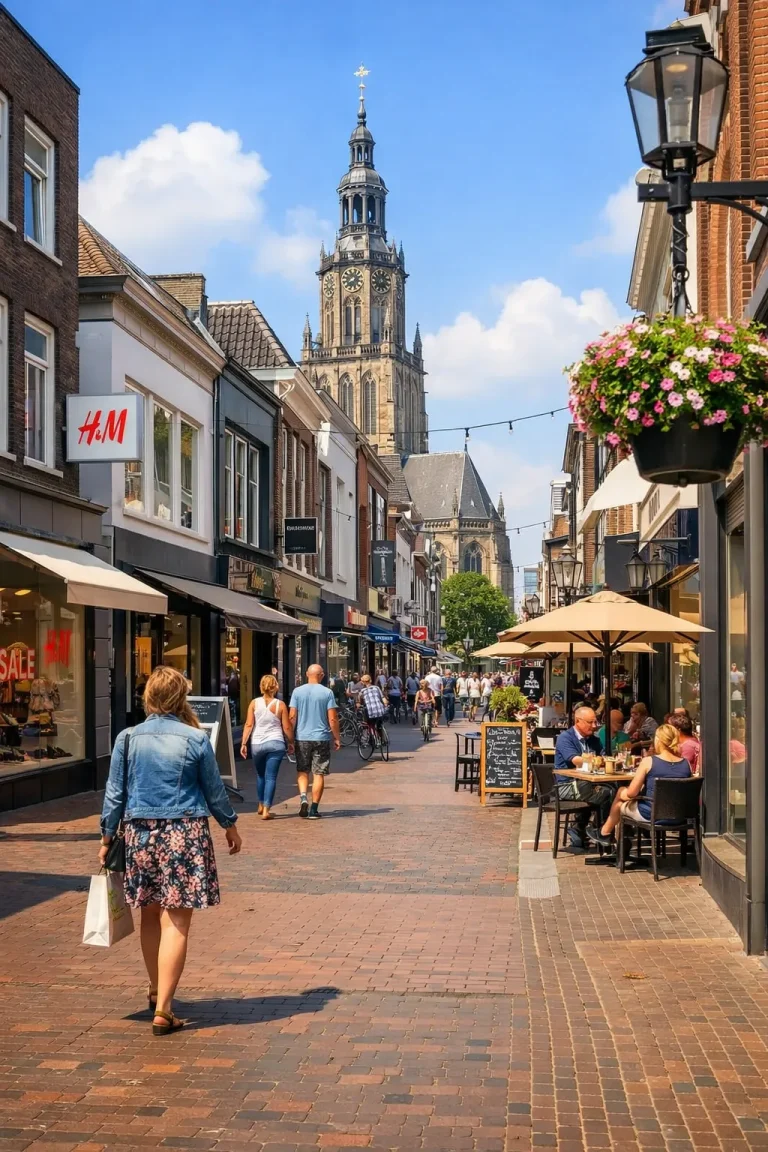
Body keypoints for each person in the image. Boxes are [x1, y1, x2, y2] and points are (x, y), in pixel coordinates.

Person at [100, 666, 242, 1036]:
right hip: (183, 832)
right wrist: (229, 825)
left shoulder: (127, 738)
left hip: (140, 834)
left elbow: (115, 793)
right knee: (176, 920)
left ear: (148, 696)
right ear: (182, 698)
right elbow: (214, 790)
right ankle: (164, 1008)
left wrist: (105, 838)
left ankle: (155, 989)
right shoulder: (194, 739)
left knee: (150, 914)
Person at [588, 723, 692, 847]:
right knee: (622, 796)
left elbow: (632, 793)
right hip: (680, 814)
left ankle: (606, 835)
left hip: (652, 814)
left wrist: (622, 793)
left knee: (621, 795)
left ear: (658, 740)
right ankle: (606, 834)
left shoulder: (649, 761)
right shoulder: (686, 764)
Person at [554, 706, 614, 849]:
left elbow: (604, 758)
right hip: (566, 786)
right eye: (590, 722)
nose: (594, 726)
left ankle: (587, 828)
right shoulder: (565, 738)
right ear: (578, 721)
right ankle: (596, 830)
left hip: (589, 784)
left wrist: (602, 760)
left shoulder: (594, 739)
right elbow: (576, 760)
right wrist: (596, 760)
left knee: (614, 790)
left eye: (595, 722)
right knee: (608, 794)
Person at [289, 664, 341, 820]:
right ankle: (313, 809)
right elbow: (332, 718)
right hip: (321, 738)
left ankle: (303, 797)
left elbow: (292, 717)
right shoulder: (327, 693)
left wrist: (290, 739)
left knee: (302, 770)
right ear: (322, 675)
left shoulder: (297, 692)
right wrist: (337, 737)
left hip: (302, 737)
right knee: (319, 773)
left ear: (306, 674)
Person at [240, 674, 294, 820]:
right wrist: (291, 742)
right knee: (271, 777)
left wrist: (244, 743)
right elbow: (286, 727)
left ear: (261, 686)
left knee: (260, 775)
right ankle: (266, 810)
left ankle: (260, 804)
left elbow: (249, 724)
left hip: (257, 743)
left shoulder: (254, 703)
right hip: (276, 743)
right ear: (276, 687)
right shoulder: (280, 704)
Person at [359, 673, 387, 738]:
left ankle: (372, 738)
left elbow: (359, 702)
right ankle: (382, 738)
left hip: (370, 712)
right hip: (380, 711)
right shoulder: (377, 688)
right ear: (370, 681)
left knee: (370, 723)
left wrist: (358, 705)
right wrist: (385, 704)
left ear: (363, 682)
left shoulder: (362, 691)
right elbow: (383, 698)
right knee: (379, 724)